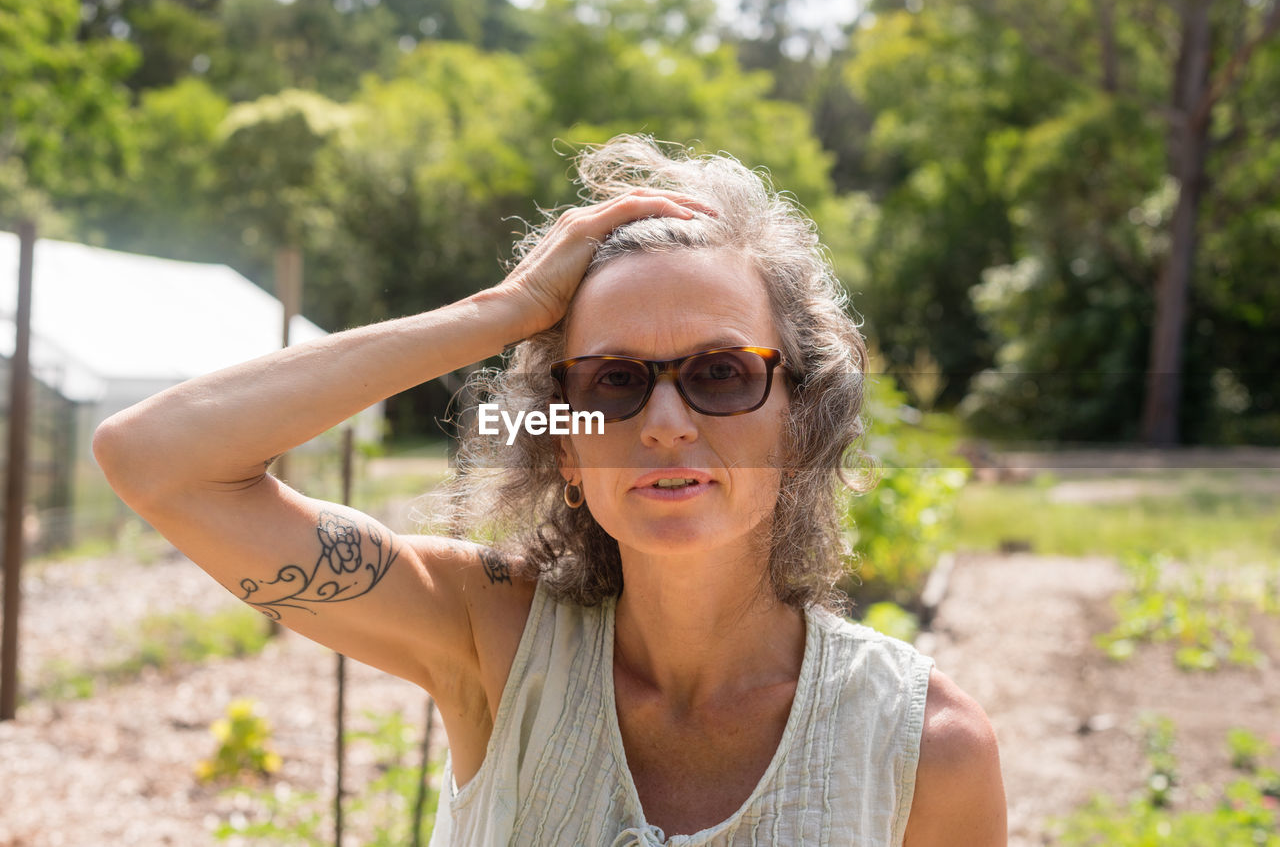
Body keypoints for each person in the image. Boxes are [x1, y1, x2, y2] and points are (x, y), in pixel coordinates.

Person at [94, 134, 1006, 846]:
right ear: (563, 442)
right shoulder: (489, 641)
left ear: (799, 416)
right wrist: (504, 311)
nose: (665, 422)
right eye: (612, 380)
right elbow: (155, 459)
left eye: (721, 373)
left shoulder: (924, 748)